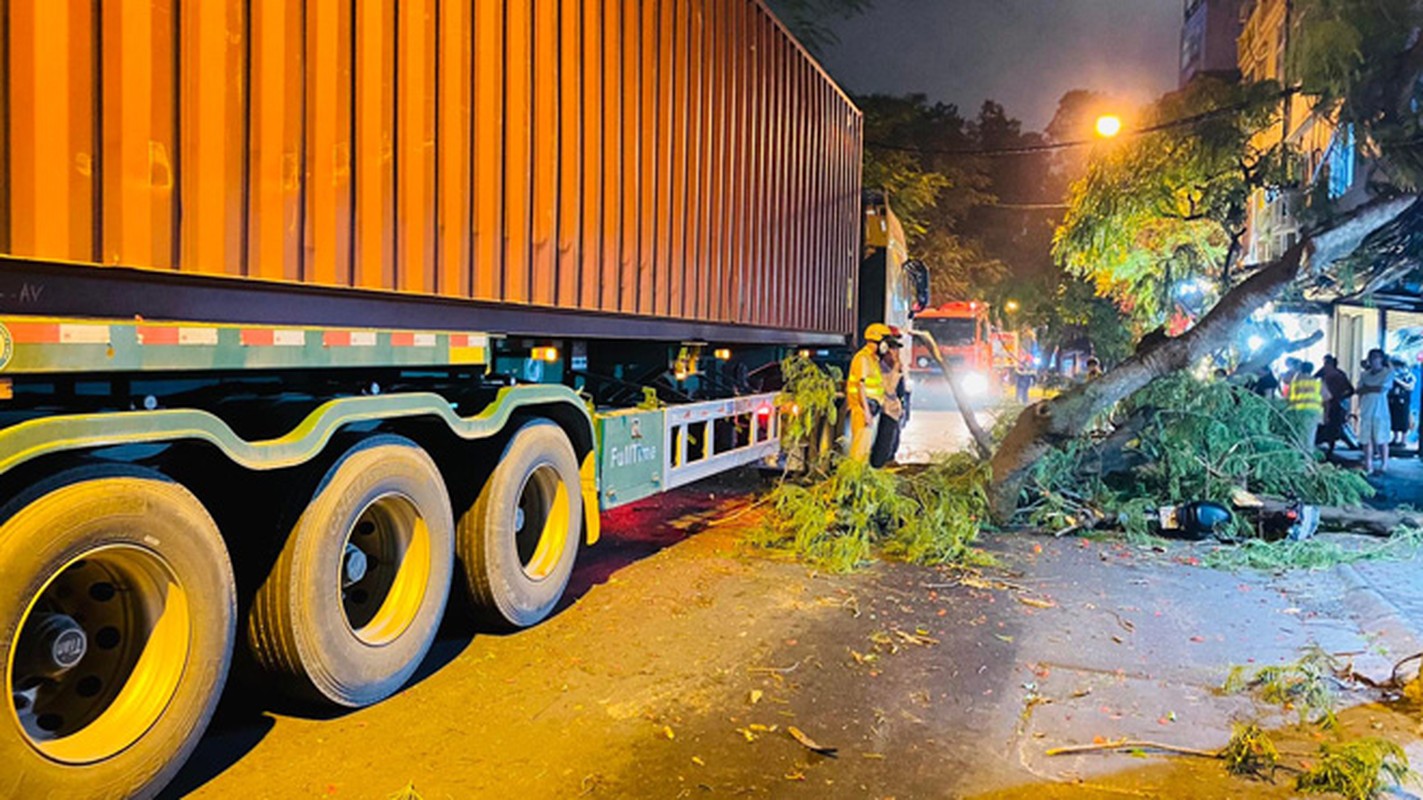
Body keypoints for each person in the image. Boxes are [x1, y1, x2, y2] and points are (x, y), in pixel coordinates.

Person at [847, 323, 894, 463]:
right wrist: (866, 412)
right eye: (886, 344)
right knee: (859, 450)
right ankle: (855, 478)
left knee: (865, 449)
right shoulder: (863, 358)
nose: (887, 349)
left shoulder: (873, 359)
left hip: (869, 408)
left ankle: (860, 477)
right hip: (862, 409)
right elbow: (860, 385)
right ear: (878, 342)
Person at [870, 326, 910, 468]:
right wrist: (896, 368)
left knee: (892, 444)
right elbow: (889, 389)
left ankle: (888, 461)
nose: (896, 352)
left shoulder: (895, 367)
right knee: (882, 450)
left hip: (894, 412)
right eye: (892, 348)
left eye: (897, 348)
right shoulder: (880, 368)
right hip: (886, 412)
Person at [1356, 348, 1394, 474]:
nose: (1374, 360)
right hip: (1366, 410)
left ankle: (1384, 464)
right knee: (1366, 439)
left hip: (1380, 411)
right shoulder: (1364, 375)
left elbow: (1381, 388)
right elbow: (1358, 390)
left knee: (1382, 438)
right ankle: (1368, 464)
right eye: (1372, 358)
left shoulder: (1387, 373)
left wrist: (1368, 388)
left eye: (1377, 357)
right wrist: (1368, 389)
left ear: (1382, 359)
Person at [1316, 355, 1354, 456]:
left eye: (1327, 363)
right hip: (1328, 403)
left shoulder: (1339, 374)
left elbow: (1350, 390)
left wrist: (1339, 397)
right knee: (1329, 425)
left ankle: (1331, 447)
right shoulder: (1324, 372)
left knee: (1335, 425)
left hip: (1337, 404)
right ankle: (1330, 446)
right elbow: (1314, 377)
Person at [1286, 361, 1324, 453]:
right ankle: (1308, 461)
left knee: (1297, 438)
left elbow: (1289, 397)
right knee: (1309, 439)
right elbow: (1326, 396)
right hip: (1312, 413)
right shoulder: (1316, 382)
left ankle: (1298, 459)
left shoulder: (1294, 382)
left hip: (1296, 413)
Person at [1388, 356, 1415, 447]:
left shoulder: (1409, 376)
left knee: (1403, 419)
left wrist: (1398, 381)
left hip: (1404, 400)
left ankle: (1403, 440)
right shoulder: (1391, 375)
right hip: (1393, 400)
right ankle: (1395, 438)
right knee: (1394, 419)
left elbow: (1410, 387)